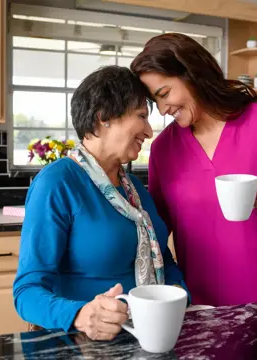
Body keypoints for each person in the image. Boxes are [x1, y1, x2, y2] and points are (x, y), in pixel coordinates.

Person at [130, 33, 257, 307]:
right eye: (154, 101)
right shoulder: (163, 149)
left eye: (164, 93)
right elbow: (157, 231)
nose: (162, 109)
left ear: (191, 74)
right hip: (205, 304)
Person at [13, 66, 188, 341]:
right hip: (84, 344)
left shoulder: (135, 189)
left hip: (149, 337)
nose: (148, 130)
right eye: (141, 116)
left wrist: (181, 296)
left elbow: (163, 260)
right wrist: (82, 315)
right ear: (104, 117)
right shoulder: (57, 183)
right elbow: (27, 292)